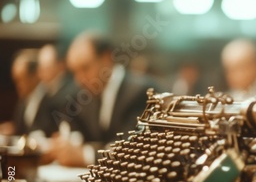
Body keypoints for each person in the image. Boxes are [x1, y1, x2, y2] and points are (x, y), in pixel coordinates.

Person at [47, 31, 159, 167]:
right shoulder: (84, 95)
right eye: (75, 72)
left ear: (107, 58)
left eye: (85, 68)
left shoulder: (141, 92)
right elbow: (80, 135)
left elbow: (132, 149)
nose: (79, 80)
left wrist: (85, 155)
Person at [0, 48, 42, 136]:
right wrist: (12, 128)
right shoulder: (22, 101)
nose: (18, 86)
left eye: (21, 80)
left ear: (34, 76)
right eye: (15, 81)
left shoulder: (49, 97)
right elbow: (22, 128)